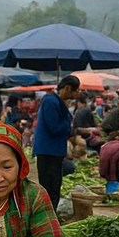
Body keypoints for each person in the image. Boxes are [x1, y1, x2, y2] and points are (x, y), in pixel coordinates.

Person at [33, 75, 80, 208]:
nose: (74, 96)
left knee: (54, 187)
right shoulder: (50, 101)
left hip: (54, 151)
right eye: (74, 92)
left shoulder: (56, 101)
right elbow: (54, 128)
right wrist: (67, 118)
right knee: (49, 189)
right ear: (67, 88)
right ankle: (47, 220)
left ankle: (50, 218)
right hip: (48, 151)